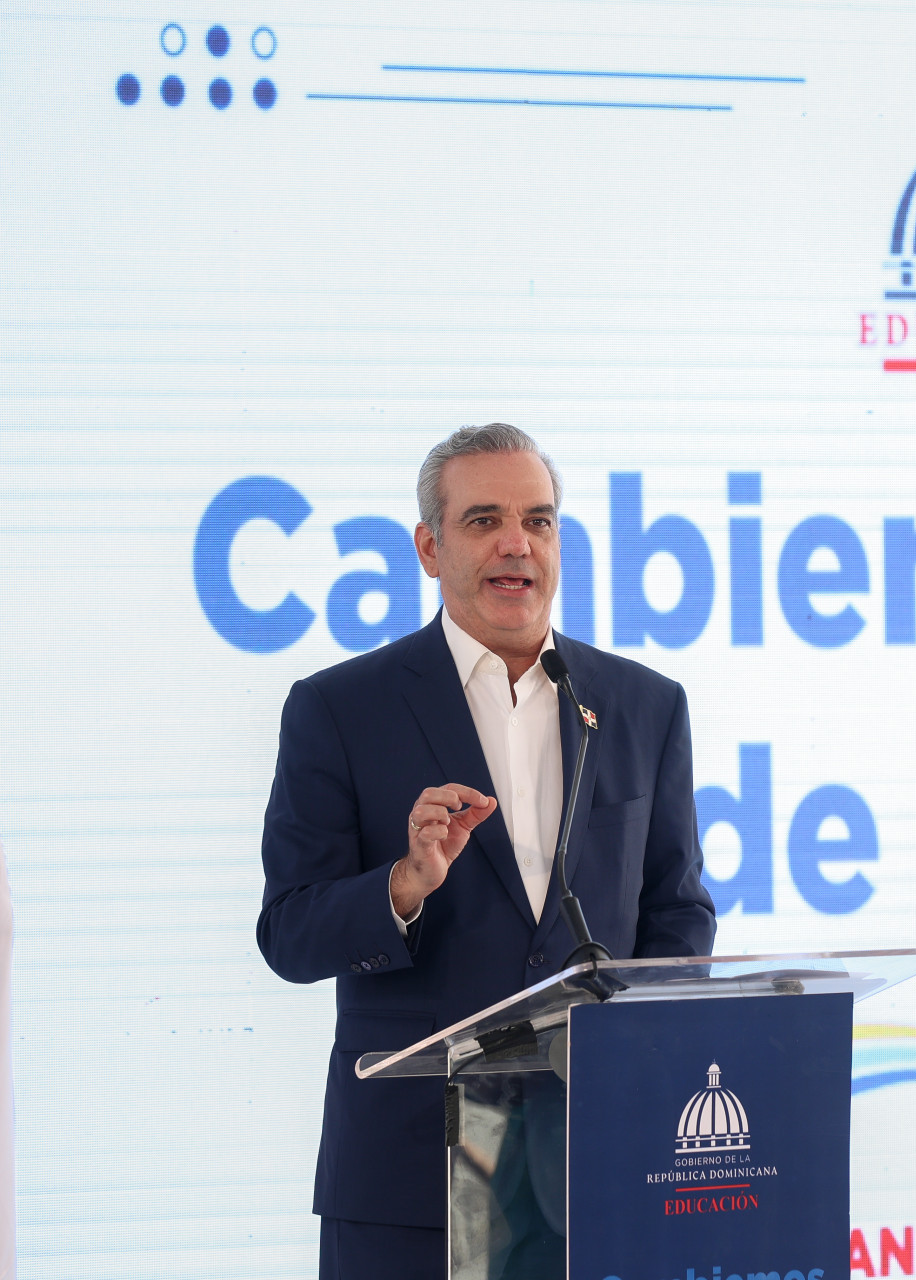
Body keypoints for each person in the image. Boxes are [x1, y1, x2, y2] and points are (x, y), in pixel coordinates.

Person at [256, 424, 716, 1280]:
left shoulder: (641, 705)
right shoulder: (340, 709)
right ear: (430, 548)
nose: (517, 543)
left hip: (599, 1164)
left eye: (538, 521)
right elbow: (288, 933)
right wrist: (403, 885)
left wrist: (648, 1056)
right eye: (484, 520)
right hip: (411, 1180)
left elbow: (677, 910)